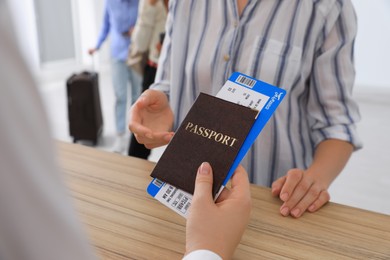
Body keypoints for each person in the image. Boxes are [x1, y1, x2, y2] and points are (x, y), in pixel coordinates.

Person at [0, 3, 250, 259]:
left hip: (271, 200)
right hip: (179, 211)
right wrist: (161, 96)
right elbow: (166, 78)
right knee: (123, 98)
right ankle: (121, 135)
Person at [128, 0, 363, 218]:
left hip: (273, 206)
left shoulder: (326, 7)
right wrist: (159, 103)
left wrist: (314, 179)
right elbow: (168, 81)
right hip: (185, 198)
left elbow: (337, 123)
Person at [88, 0, 142, 154]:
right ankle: (120, 136)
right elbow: (105, 26)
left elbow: (147, 24)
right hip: (117, 55)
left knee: (137, 97)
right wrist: (96, 46)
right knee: (120, 96)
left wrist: (136, 30)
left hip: (136, 54)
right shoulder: (110, 2)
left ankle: (134, 135)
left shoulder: (139, 2)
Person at [128, 0, 169, 159]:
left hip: (183, 71)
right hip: (154, 69)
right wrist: (150, 8)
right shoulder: (149, 3)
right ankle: (133, 170)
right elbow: (140, 43)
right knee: (143, 127)